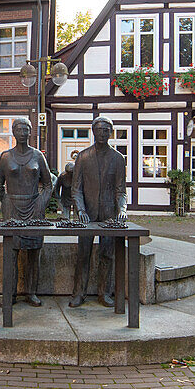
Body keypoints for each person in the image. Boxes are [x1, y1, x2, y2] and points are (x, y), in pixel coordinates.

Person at [70, 115, 128, 307]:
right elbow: (76, 188)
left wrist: (121, 209)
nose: (102, 133)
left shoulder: (118, 159)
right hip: (87, 214)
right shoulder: (83, 157)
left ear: (111, 133)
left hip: (109, 215)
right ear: (93, 131)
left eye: (106, 130)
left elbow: (121, 190)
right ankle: (79, 293)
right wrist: (80, 210)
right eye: (99, 130)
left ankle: (105, 293)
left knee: (108, 254)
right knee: (83, 254)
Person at [0, 117, 52, 306]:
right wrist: (5, 203)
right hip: (12, 209)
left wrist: (41, 203)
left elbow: (49, 184)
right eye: (18, 129)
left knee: (34, 252)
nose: (22, 133)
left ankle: (31, 292)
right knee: (11, 252)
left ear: (30, 132)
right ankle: (10, 293)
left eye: (26, 129)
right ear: (13, 132)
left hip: (34, 208)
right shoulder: (5, 157)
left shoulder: (37, 156)